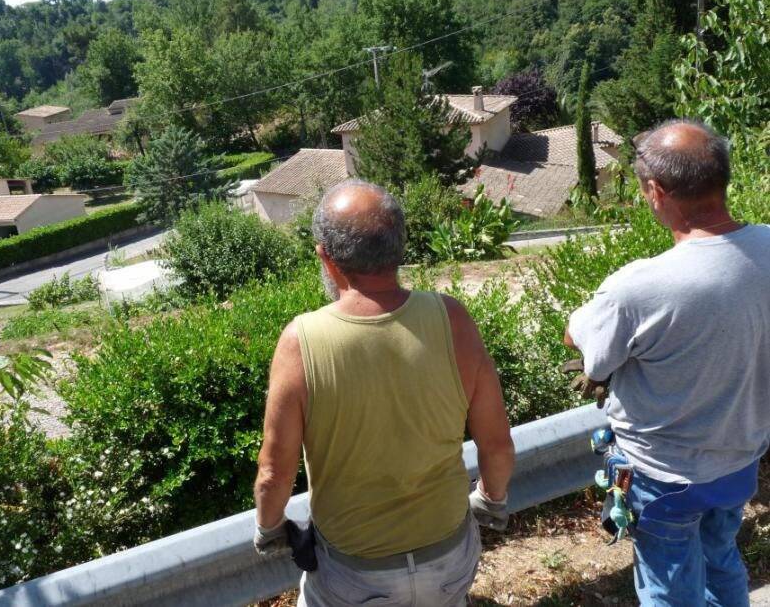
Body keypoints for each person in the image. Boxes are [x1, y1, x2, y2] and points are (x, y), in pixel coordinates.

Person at [252, 179, 515, 606]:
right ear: (398, 248)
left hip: (355, 575)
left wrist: (269, 529)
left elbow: (273, 476)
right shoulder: (452, 319)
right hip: (448, 557)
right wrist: (491, 500)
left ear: (326, 257)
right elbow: (498, 445)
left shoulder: (301, 342)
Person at [565, 120, 770, 607]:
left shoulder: (638, 286)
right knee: (721, 559)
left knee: (669, 589)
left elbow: (589, 351)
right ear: (723, 178)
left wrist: (579, 321)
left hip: (663, 477)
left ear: (656, 191)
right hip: (740, 461)